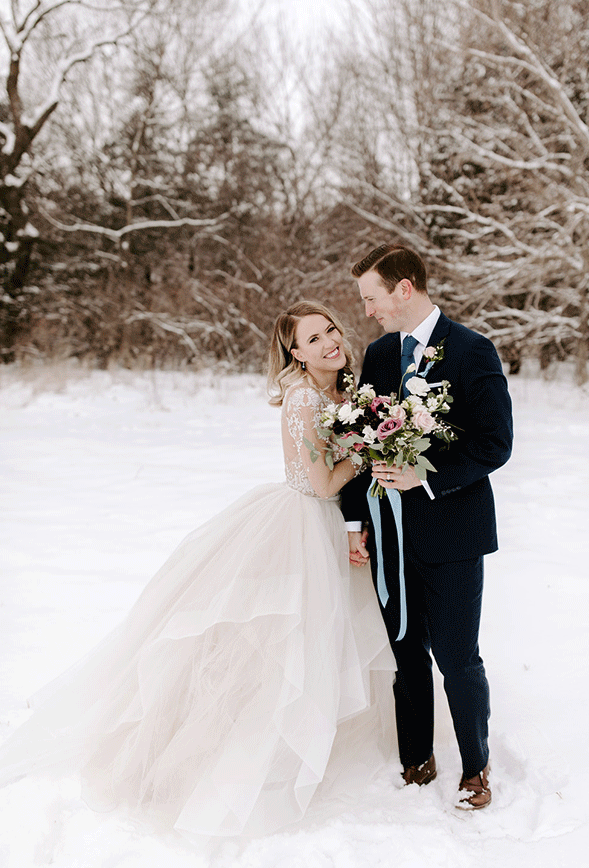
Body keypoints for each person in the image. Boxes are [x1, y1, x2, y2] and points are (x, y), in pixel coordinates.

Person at [0, 301, 396, 840]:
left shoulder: (347, 391)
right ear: (296, 355)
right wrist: (370, 447)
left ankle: (325, 744)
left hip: (331, 530)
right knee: (276, 647)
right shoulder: (303, 399)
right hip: (295, 526)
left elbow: (343, 489)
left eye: (330, 329)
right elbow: (322, 483)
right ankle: (228, 759)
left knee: (328, 642)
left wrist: (358, 504)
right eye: (313, 338)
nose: (330, 341)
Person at [341, 244, 513, 810]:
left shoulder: (471, 351)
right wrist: (357, 522)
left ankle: (476, 767)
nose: (368, 311)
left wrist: (426, 477)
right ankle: (415, 759)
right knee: (405, 653)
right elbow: (366, 446)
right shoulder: (379, 355)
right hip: (391, 536)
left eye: (372, 298)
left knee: (458, 657)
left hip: (455, 533)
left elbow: (495, 444)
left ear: (404, 288)